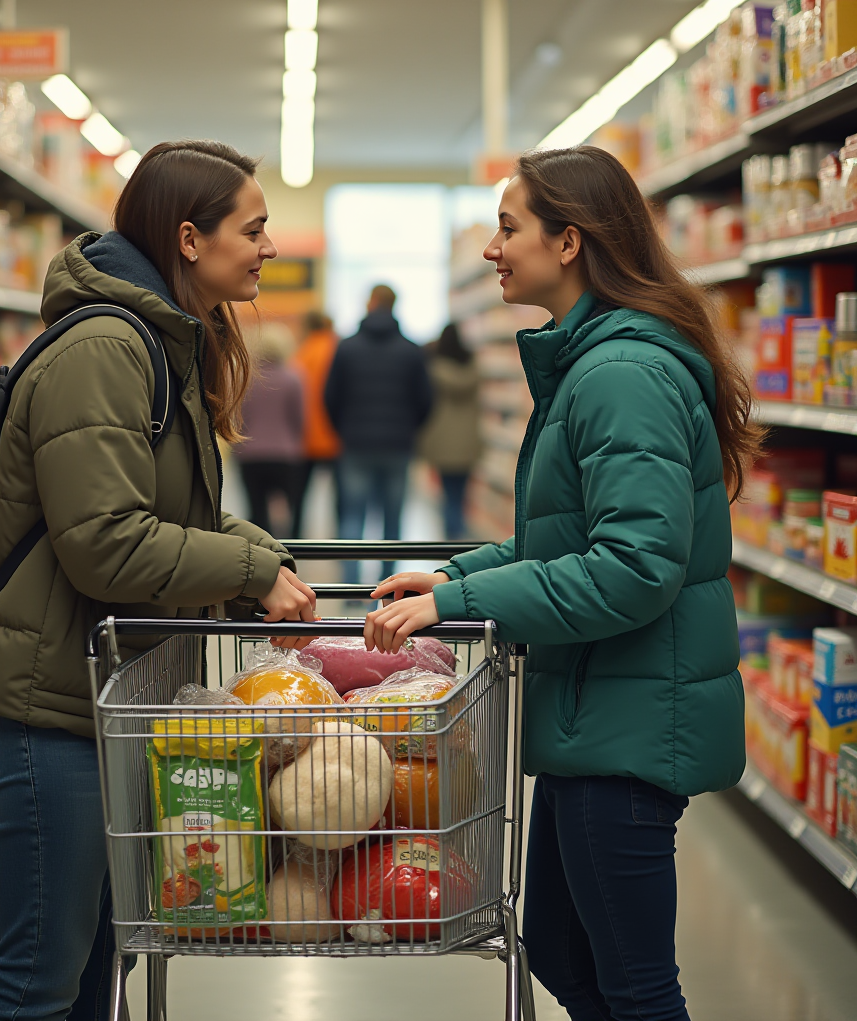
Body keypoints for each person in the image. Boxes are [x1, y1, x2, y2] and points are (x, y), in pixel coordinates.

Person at [365, 146, 757, 1021]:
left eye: (510, 228)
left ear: (570, 241)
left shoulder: (619, 375)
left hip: (626, 727)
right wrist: (458, 574)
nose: (492, 250)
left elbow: (633, 568)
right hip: (598, 714)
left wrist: (461, 604)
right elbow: (570, 539)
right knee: (567, 956)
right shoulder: (592, 363)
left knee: (636, 988)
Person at [0, 140, 317, 1021]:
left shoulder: (160, 341)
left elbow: (166, 514)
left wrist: (262, 556)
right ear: (189, 239)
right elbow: (106, 546)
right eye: (255, 227)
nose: (270, 247)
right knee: (41, 980)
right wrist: (250, 567)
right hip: (46, 714)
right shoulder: (109, 347)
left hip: (98, 699)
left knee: (95, 974)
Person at [323, 284, 433, 583]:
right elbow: (425, 400)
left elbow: (330, 396)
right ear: (394, 305)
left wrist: (344, 429)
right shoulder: (412, 350)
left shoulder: (346, 347)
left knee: (352, 515)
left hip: (356, 443)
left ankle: (350, 586)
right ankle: (387, 585)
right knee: (392, 518)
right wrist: (409, 428)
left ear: (370, 303)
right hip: (398, 445)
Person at [234, 320, 305, 537]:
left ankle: (261, 552)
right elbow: (299, 418)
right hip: (285, 454)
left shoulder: (246, 377)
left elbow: (238, 417)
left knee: (256, 510)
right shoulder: (293, 377)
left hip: (250, 453)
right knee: (293, 508)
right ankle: (292, 551)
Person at [418, 322, 482, 539]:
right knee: (461, 493)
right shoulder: (473, 365)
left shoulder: (432, 369)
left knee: (447, 493)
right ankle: (460, 533)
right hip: (468, 440)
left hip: (443, 440)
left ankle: (451, 537)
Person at [291, 310, 342, 534]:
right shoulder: (339, 350)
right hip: (337, 436)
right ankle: (342, 541)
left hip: (305, 437)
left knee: (299, 498)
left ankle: (295, 540)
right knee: (342, 499)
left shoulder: (301, 354)